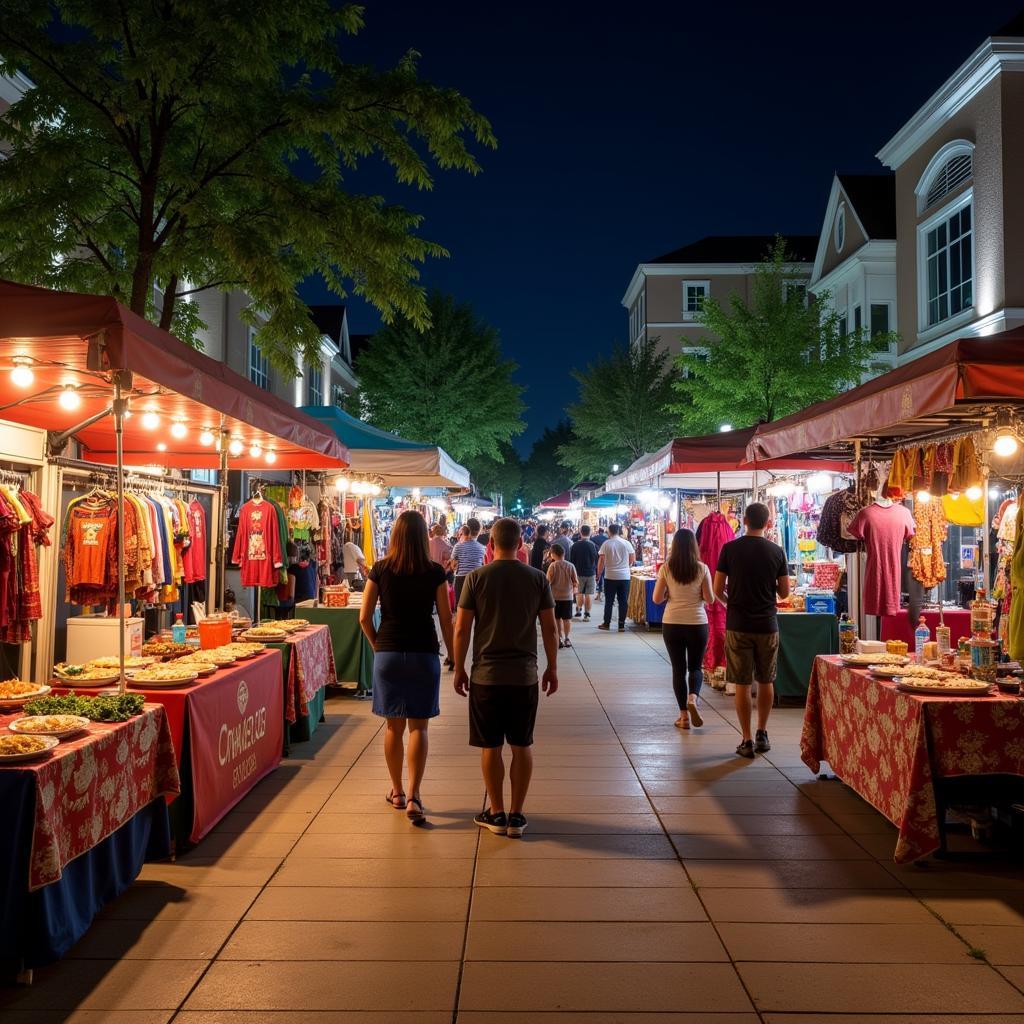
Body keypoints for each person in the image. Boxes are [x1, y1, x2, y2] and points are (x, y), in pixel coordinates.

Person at [453, 517, 558, 838]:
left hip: (486, 676)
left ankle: (496, 812)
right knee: (522, 744)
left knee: (491, 746)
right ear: (521, 545)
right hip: (525, 676)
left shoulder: (475, 578)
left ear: (490, 545)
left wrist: (459, 667)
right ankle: (517, 815)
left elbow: (461, 628)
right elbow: (550, 628)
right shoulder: (538, 578)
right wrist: (552, 667)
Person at [360, 510, 454, 823]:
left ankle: (397, 791)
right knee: (419, 726)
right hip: (423, 652)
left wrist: (379, 647)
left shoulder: (381, 569)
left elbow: (363, 617)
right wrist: (453, 656)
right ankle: (414, 796)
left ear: (396, 536)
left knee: (392, 726)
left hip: (388, 650)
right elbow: (445, 617)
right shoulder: (434, 571)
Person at [713, 502, 789, 758]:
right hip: (767, 624)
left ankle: (745, 738)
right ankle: (762, 733)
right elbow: (785, 592)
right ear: (768, 523)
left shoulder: (729, 549)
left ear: (744, 521)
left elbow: (716, 589)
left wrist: (729, 603)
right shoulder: (777, 551)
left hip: (738, 624)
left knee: (743, 683)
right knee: (766, 679)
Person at [652, 528, 714, 730]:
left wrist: (671, 594)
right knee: (696, 667)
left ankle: (683, 717)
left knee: (678, 670)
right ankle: (693, 698)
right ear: (694, 546)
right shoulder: (702, 568)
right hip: (697, 622)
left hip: (672, 622)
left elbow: (656, 598)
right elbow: (710, 598)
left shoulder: (667, 568)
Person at [596, 523, 635, 632]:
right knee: (623, 600)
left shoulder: (606, 544)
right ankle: (621, 624)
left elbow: (601, 561)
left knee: (609, 601)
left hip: (610, 576)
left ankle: (606, 623)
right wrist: (625, 566)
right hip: (625, 576)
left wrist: (598, 574)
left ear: (609, 532)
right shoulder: (626, 543)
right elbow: (632, 558)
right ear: (619, 531)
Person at [546, 543, 578, 648]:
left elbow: (548, 582)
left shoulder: (553, 566)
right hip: (567, 597)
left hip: (555, 597)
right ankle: (567, 638)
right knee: (567, 619)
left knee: (557, 619)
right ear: (563, 553)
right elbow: (575, 582)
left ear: (553, 554)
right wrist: (574, 591)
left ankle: (559, 638)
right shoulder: (570, 566)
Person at [451, 517, 486, 605]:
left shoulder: (458, 546)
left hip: (461, 579)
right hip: (477, 579)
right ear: (479, 531)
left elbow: (453, 565)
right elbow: (483, 565)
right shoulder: (482, 548)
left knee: (460, 607)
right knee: (477, 607)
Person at [569, 524, 599, 620]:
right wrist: (597, 573)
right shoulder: (594, 546)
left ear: (580, 532)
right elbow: (597, 560)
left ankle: (578, 610)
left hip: (578, 573)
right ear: (590, 533)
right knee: (589, 594)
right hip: (591, 573)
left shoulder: (574, 546)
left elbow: (571, 561)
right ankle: (587, 614)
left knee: (579, 593)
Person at [274, 541, 299, 620]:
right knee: (285, 615)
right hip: (287, 598)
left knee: (279, 614)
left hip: (279, 597)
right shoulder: (293, 567)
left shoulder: (280, 564)